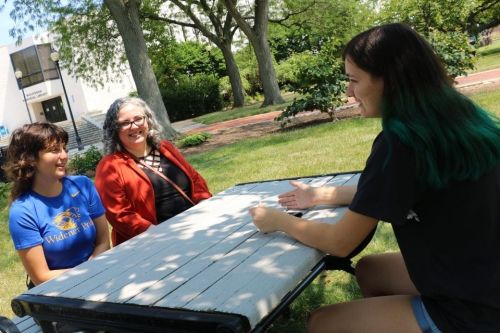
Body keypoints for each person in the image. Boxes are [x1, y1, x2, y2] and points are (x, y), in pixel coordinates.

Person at [250, 23, 500, 333]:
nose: (348, 92)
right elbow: (395, 190)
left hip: (472, 310)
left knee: (321, 322)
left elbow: (340, 243)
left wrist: (277, 221)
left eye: (354, 80)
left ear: (390, 81)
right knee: (370, 270)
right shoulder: (455, 116)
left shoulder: (402, 142)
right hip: (480, 274)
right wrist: (322, 195)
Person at [95, 97, 212, 246]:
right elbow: (120, 215)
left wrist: (206, 206)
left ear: (148, 121)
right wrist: (160, 236)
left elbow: (195, 180)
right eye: (125, 123)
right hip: (152, 243)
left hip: (195, 228)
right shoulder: (109, 166)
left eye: (138, 119)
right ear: (114, 129)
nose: (134, 126)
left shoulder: (165, 148)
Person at [5, 123, 110, 287]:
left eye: (64, 148)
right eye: (54, 150)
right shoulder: (23, 211)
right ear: (30, 159)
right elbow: (40, 276)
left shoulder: (82, 185)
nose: (64, 155)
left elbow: (104, 241)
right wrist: (86, 273)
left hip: (100, 277)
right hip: (60, 292)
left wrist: (93, 269)